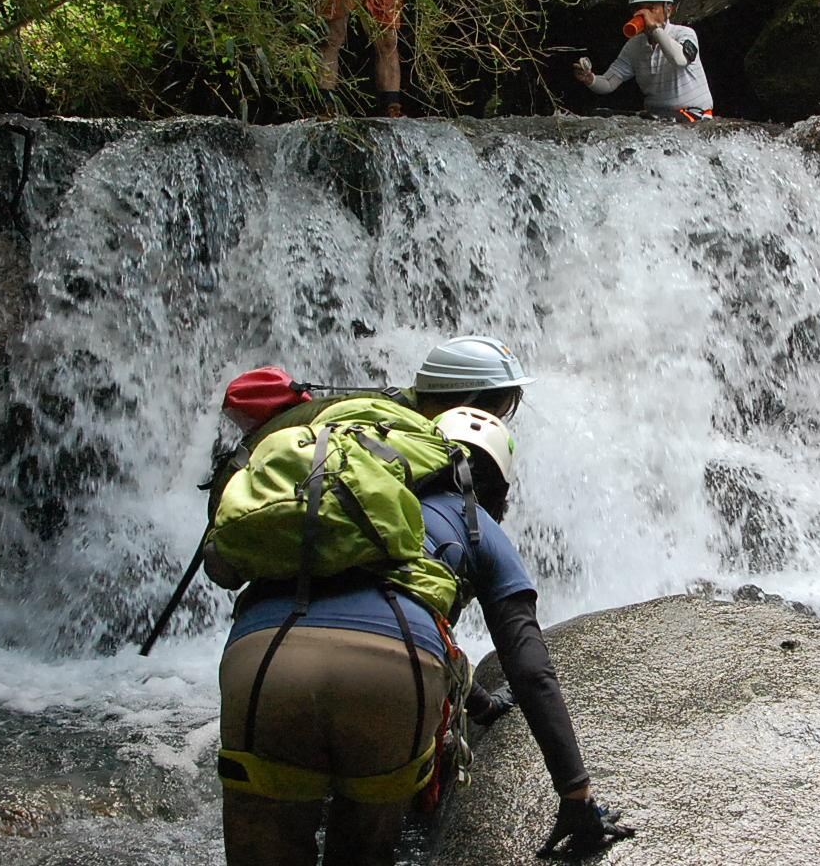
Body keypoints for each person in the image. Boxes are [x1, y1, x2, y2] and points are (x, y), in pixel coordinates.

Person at [209, 340, 633, 865]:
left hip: (261, 661)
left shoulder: (340, 493)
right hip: (390, 673)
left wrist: (476, 699)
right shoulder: (476, 524)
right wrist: (576, 795)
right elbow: (530, 667)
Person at [571, 0, 714, 123]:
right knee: (600, 114)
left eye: (651, 8)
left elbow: (680, 60)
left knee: (657, 120)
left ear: (668, 10)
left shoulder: (684, 33)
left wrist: (655, 29)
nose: (644, 15)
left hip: (694, 113)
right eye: (639, 9)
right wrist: (590, 79)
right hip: (655, 115)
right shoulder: (634, 46)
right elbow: (608, 82)